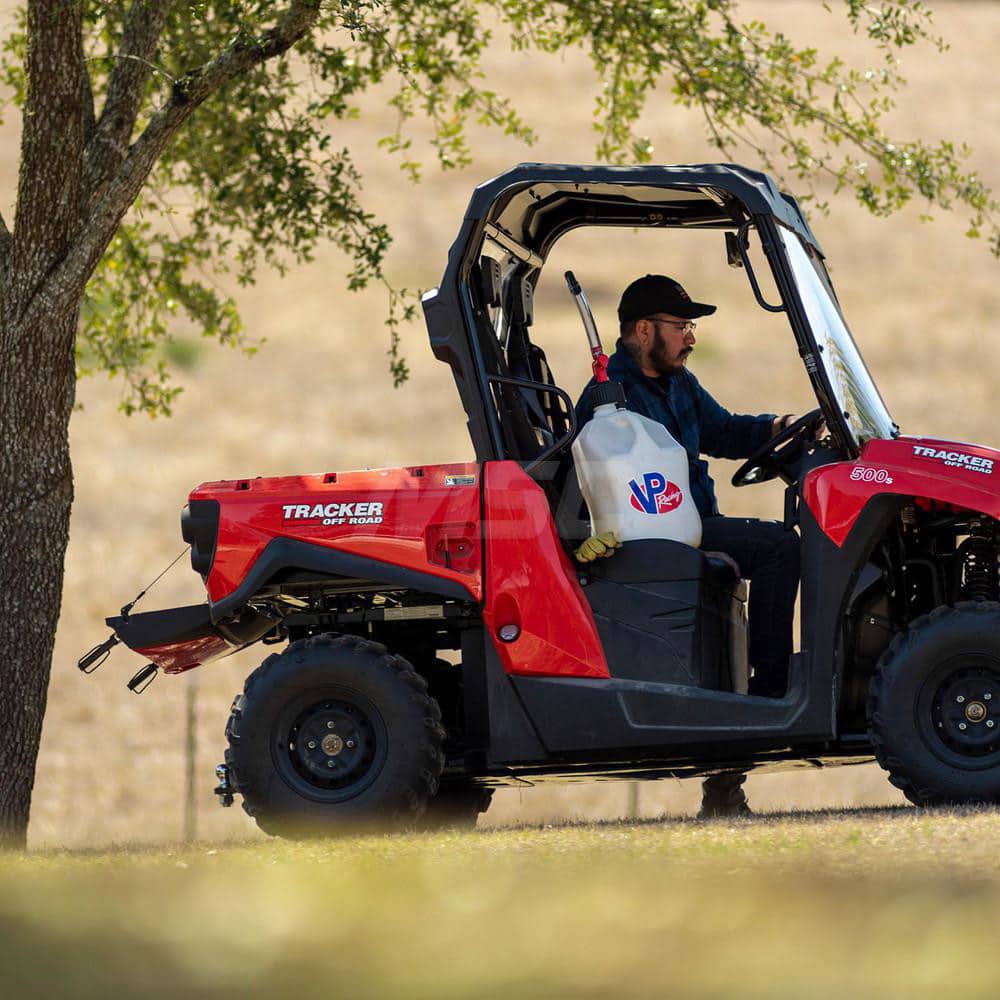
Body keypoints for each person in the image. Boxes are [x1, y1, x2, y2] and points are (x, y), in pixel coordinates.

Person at [574, 274, 803, 819]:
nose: (691, 337)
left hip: (695, 528)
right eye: (682, 327)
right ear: (644, 330)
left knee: (771, 546)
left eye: (691, 327)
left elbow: (724, 431)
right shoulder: (609, 404)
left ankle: (727, 781)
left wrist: (782, 427)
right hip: (661, 540)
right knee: (779, 549)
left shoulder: (680, 384)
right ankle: (770, 697)